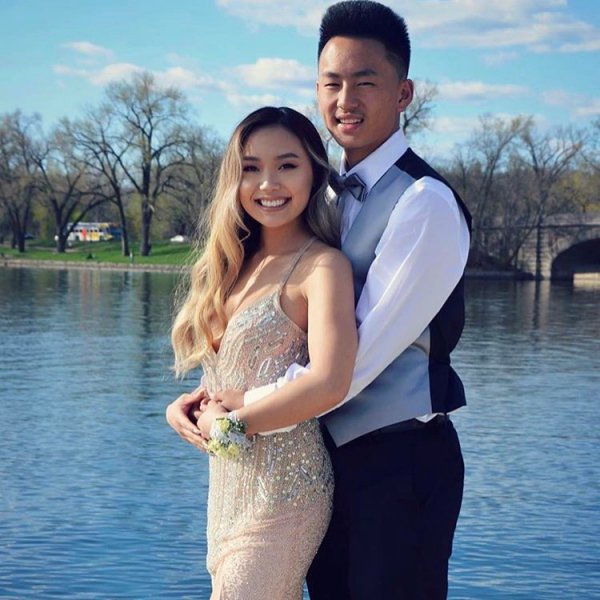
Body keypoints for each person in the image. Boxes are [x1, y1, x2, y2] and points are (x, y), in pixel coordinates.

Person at [169, 1, 472, 597]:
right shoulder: (326, 199)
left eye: (366, 81)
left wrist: (234, 413)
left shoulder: (424, 203)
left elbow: (352, 364)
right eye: (332, 83)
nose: (346, 99)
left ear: (404, 92)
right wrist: (204, 400)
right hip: (319, 461)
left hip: (399, 460)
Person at [167, 106, 357, 600]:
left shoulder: (322, 266)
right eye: (251, 167)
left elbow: (329, 382)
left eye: (287, 165)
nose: (268, 183)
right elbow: (236, 375)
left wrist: (228, 425)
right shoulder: (231, 266)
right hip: (227, 494)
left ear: (314, 171)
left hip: (287, 493)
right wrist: (185, 407)